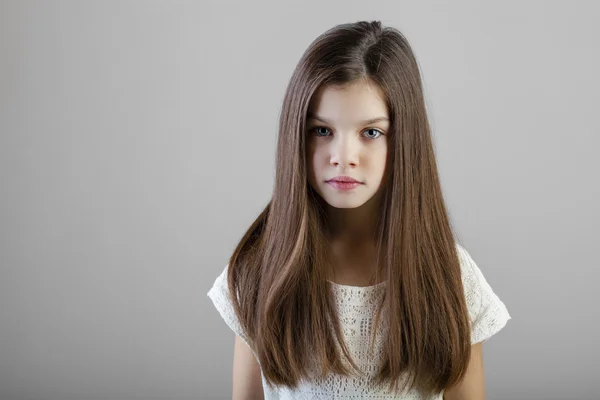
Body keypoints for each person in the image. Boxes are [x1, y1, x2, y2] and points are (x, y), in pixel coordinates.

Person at [207, 20, 511, 399]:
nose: (343, 158)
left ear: (403, 141)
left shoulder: (449, 278)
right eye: (322, 131)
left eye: (371, 133)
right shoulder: (259, 271)